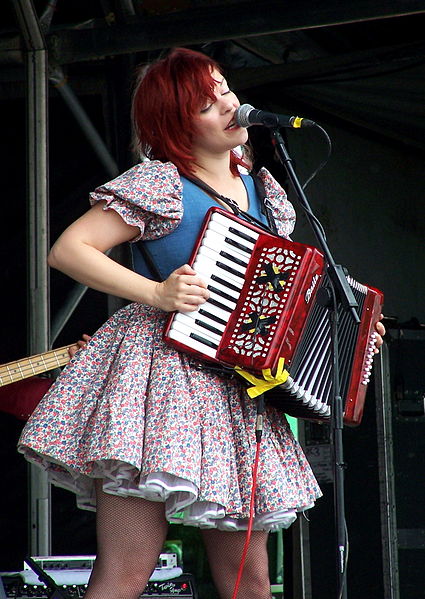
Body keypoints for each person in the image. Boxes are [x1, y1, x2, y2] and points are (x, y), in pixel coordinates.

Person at [18, 47, 385, 599]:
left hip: (236, 390)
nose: (228, 102)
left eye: (223, 88)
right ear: (174, 124)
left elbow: (283, 290)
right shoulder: (159, 183)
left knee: (252, 581)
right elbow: (70, 249)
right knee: (125, 573)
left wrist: (353, 326)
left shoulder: (268, 193)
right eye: (206, 102)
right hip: (158, 380)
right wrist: (156, 292)